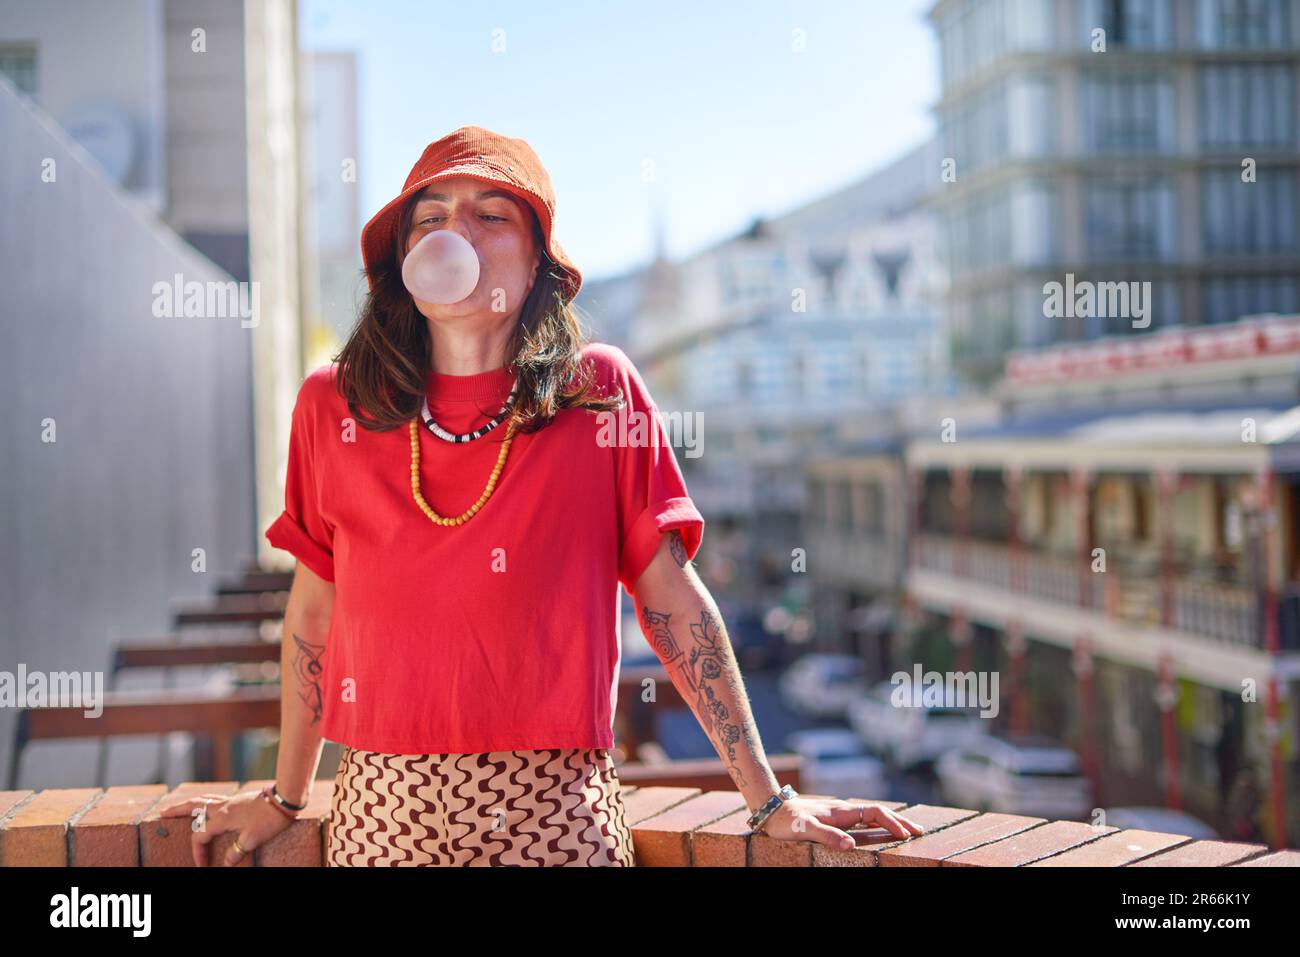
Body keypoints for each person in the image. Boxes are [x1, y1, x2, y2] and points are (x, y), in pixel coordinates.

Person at [158, 126, 924, 866]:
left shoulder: (602, 393)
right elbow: (314, 612)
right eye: (430, 218)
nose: (452, 232)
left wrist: (768, 800)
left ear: (537, 268)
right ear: (405, 263)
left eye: (490, 214)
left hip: (559, 816)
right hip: (381, 819)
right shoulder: (335, 404)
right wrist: (287, 799)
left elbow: (672, 599)